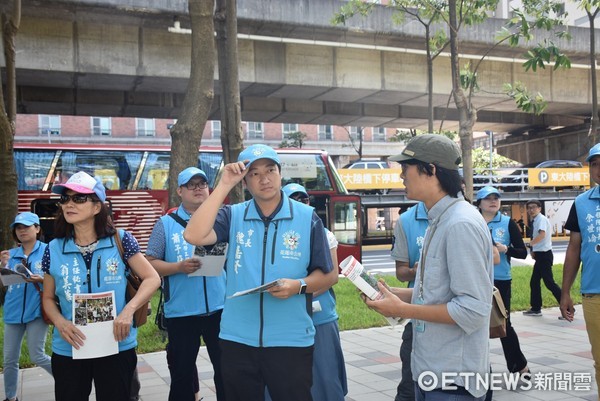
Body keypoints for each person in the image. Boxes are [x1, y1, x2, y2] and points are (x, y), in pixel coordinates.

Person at [183, 144, 335, 401]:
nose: (264, 179)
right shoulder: (232, 216)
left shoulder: (307, 217)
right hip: (237, 340)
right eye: (253, 173)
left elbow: (326, 275)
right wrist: (223, 185)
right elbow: (193, 234)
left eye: (270, 170)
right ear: (245, 181)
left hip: (291, 340)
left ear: (280, 173)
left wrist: (297, 286)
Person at [364, 134, 494, 400]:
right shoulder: (439, 219)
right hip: (430, 371)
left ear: (430, 170)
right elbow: (440, 292)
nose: (401, 175)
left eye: (405, 167)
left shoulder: (460, 224)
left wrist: (402, 310)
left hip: (454, 381)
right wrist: (395, 295)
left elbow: (473, 310)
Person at [41, 171, 161, 401]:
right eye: (65, 199)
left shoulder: (121, 239)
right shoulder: (52, 249)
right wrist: (60, 322)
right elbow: (47, 298)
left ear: (97, 207)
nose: (69, 204)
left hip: (116, 344)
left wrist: (128, 311)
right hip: (69, 346)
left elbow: (152, 278)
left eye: (79, 199)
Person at [146, 167, 226, 401]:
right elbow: (149, 262)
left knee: (225, 371)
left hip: (219, 309)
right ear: (180, 191)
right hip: (182, 313)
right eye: (192, 185)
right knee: (181, 375)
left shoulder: (221, 219)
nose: (199, 189)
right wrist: (177, 268)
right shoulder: (165, 224)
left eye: (202, 184)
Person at [282, 183, 347, 401]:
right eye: (294, 199)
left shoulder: (324, 233)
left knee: (325, 374)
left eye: (305, 199)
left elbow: (332, 276)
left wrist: (301, 292)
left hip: (321, 316)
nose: (301, 204)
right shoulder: (279, 235)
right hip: (287, 317)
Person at [475, 187, 530, 376]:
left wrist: (506, 249)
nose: (493, 201)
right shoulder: (472, 221)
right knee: (475, 324)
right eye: (487, 198)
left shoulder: (507, 223)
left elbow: (523, 253)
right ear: (479, 203)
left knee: (503, 324)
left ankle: (519, 366)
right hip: (475, 279)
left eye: (496, 198)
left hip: (500, 281)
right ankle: (480, 370)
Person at [560, 142, 600, 400]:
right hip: (594, 295)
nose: (599, 169)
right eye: (594, 164)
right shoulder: (581, 203)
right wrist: (565, 292)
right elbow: (574, 249)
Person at [1, 212, 53, 401]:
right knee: (9, 360)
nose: (21, 230)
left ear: (37, 229)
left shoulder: (49, 251)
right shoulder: (10, 254)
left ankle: (68, 379)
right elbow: (4, 284)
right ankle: (11, 397)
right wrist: (2, 265)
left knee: (37, 355)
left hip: (37, 311)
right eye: (18, 228)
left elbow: (58, 280)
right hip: (12, 312)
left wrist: (42, 280)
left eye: (26, 226)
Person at [391, 202, 428, 401]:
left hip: (455, 322)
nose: (403, 176)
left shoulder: (464, 217)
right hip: (418, 315)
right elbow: (401, 273)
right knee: (409, 385)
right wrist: (416, 271)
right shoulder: (407, 221)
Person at [522, 199, 561, 316]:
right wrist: (533, 250)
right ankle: (535, 308)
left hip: (544, 255)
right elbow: (536, 236)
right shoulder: (535, 220)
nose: (531, 210)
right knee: (534, 282)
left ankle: (567, 308)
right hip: (540, 255)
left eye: (534, 207)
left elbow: (542, 235)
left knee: (549, 283)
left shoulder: (541, 219)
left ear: (540, 208)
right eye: (529, 208)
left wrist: (530, 245)